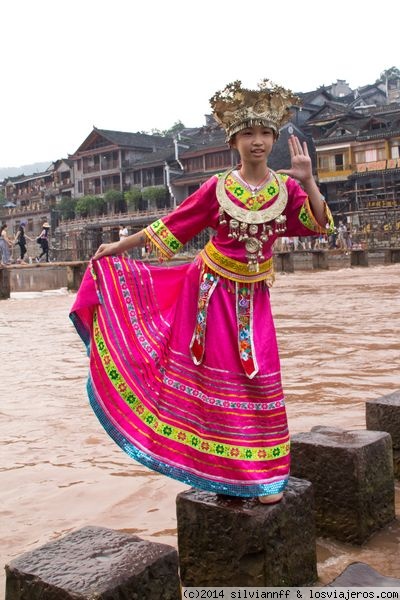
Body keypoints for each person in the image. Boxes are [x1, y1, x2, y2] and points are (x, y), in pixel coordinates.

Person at [70, 79, 333, 504]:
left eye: (265, 134)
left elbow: (319, 225)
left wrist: (310, 180)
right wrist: (119, 246)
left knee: (259, 378)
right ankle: (220, 468)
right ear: (234, 141)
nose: (258, 142)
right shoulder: (216, 188)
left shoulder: (287, 189)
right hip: (207, 292)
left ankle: (262, 473)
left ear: (273, 139)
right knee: (215, 379)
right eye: (248, 133)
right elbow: (172, 225)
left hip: (253, 297)